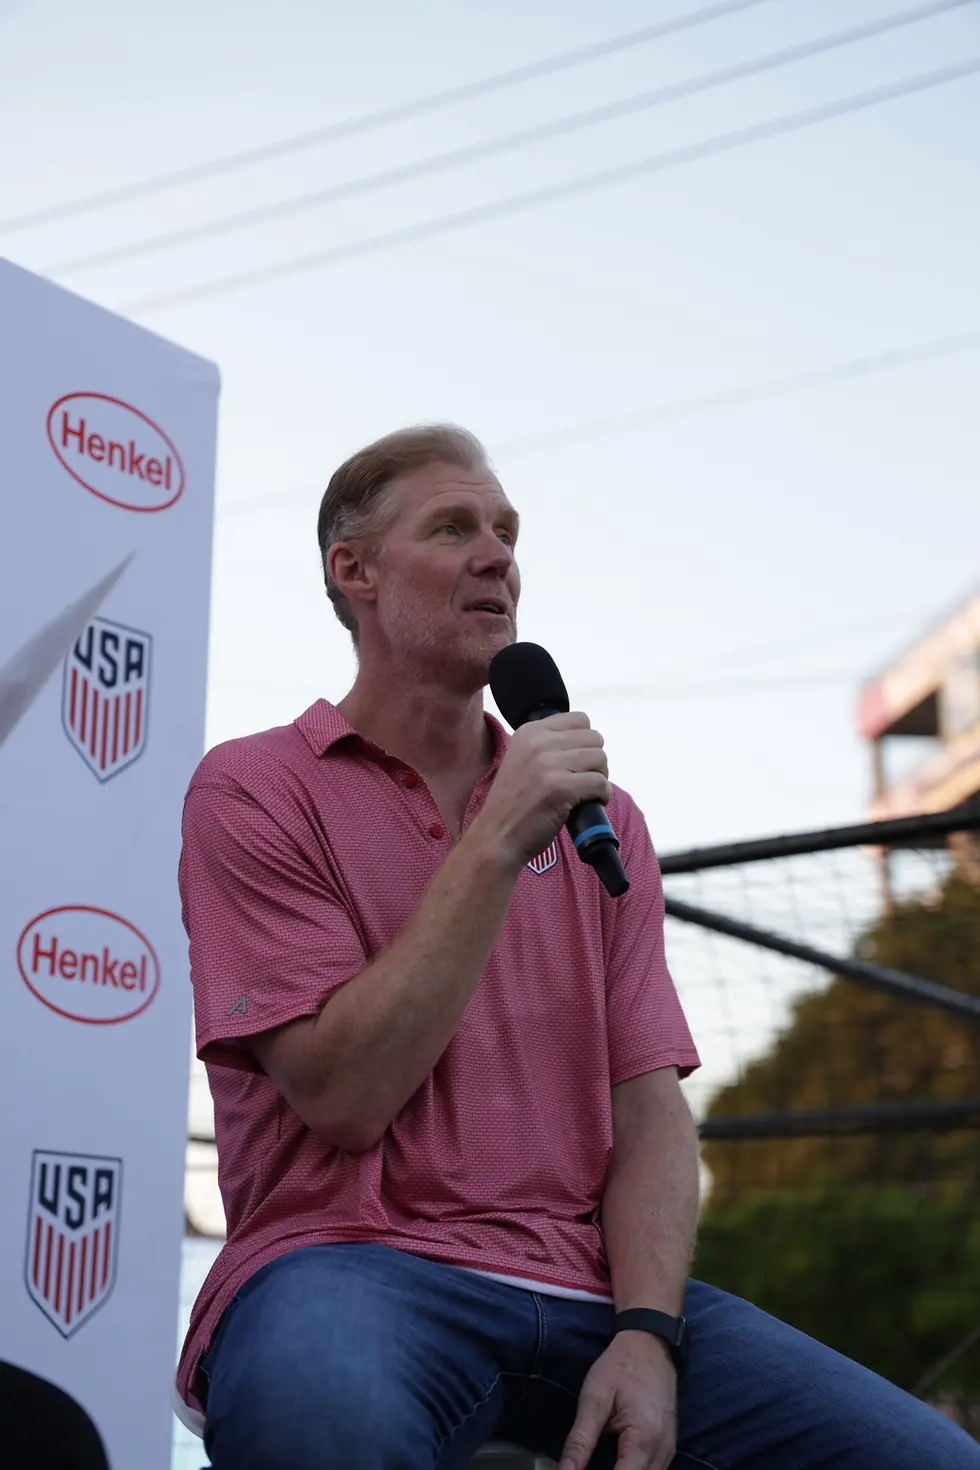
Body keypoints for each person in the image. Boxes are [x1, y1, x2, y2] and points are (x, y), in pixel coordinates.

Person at [174, 425, 978, 1470]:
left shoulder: (605, 821)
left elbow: (646, 1109)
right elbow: (344, 1095)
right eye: (453, 527)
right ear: (354, 569)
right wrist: (500, 836)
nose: (498, 555)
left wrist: (646, 1334)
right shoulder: (255, 789)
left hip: (598, 1293)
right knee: (322, 1423)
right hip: (350, 1264)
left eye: (506, 531)